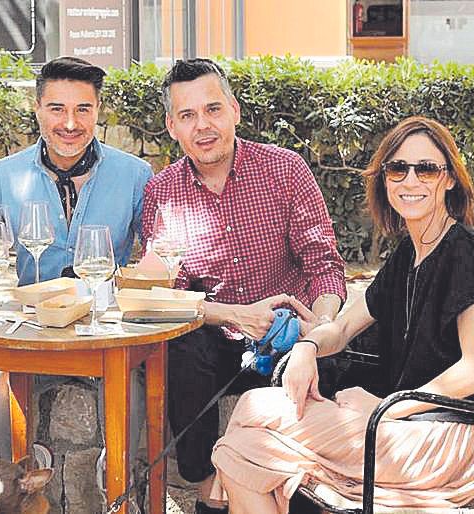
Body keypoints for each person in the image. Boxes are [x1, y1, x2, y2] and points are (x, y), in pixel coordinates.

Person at [211, 116, 474, 513]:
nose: (410, 181)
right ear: (385, 180)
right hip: (401, 427)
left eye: (426, 169)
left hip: (441, 436)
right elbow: (341, 328)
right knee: (243, 448)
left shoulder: (464, 251)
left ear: (449, 179)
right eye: (398, 168)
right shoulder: (408, 256)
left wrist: (385, 406)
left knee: (243, 439)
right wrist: (308, 346)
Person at [143, 58, 346, 513]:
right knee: (180, 351)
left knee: (329, 364)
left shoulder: (286, 169)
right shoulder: (162, 192)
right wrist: (235, 314)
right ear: (172, 127)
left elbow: (325, 266)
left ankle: (309, 489)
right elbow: (164, 296)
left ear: (234, 110)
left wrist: (319, 326)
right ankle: (207, 490)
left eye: (213, 109)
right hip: (215, 340)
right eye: (187, 115)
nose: (203, 126)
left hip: (286, 336)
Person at [0, 57, 153, 468]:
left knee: (133, 384)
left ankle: (116, 476)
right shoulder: (2, 176)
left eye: (83, 109)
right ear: (38, 109)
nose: (70, 123)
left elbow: (156, 259)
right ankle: (25, 468)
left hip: (104, 335)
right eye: (57, 109)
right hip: (28, 333)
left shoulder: (136, 174)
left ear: (98, 111)